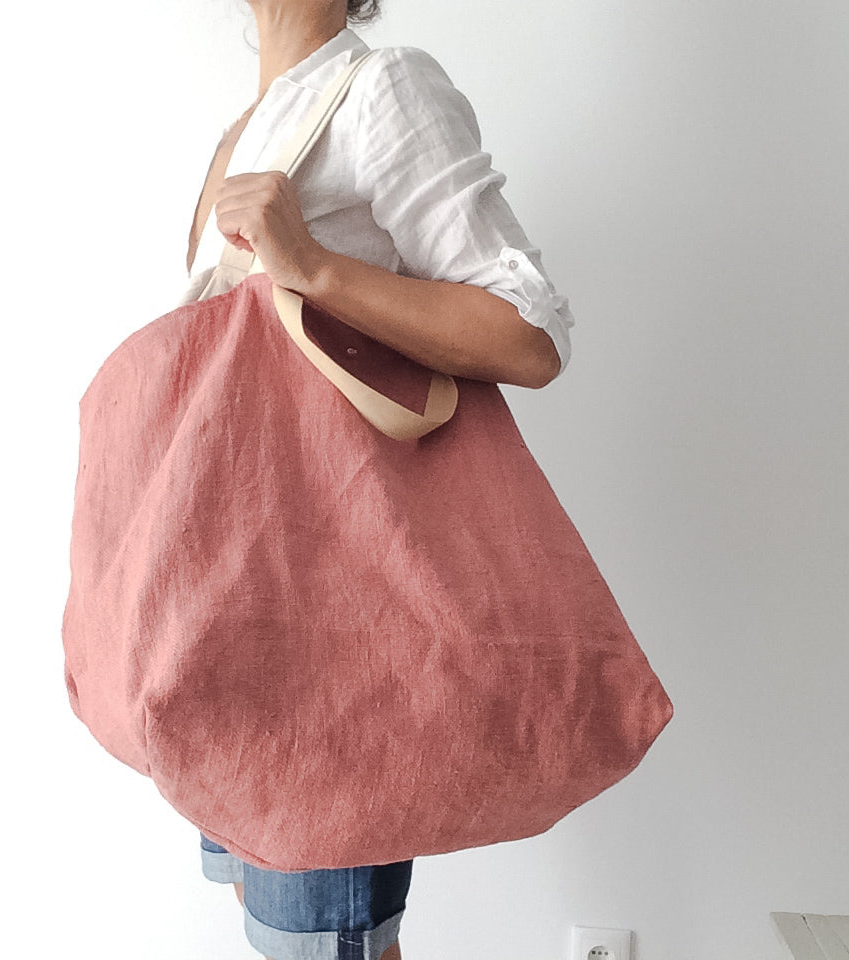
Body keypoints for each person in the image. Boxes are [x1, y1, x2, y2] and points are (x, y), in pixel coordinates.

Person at [186, 2, 577, 958]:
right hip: (234, 601)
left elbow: (529, 335)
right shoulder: (241, 130)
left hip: (329, 616)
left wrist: (312, 265)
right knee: (270, 930)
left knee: (323, 945)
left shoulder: (383, 86)